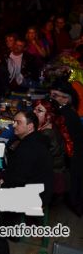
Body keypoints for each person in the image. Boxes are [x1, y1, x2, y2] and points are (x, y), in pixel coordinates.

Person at [0, 110, 54, 254]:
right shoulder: (35, 139)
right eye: (14, 122)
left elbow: (18, 179)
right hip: (38, 188)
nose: (14, 125)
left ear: (30, 126)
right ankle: (8, 230)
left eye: (18, 123)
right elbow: (19, 172)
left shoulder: (29, 147)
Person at [50, 80, 83, 216]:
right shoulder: (65, 110)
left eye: (55, 96)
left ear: (66, 98)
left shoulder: (66, 114)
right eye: (51, 95)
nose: (51, 98)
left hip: (75, 154)